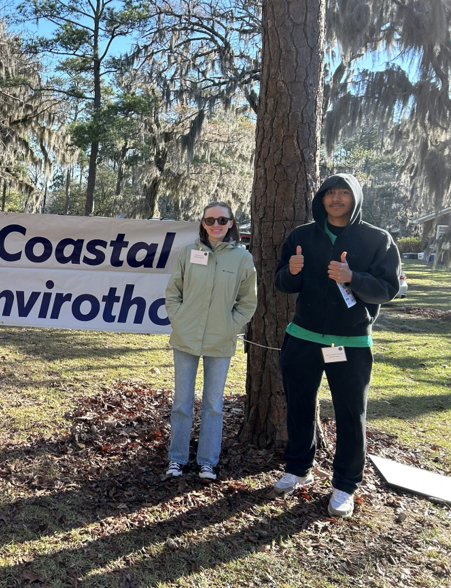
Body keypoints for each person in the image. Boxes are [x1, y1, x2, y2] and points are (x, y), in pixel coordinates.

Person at [273, 174, 400, 518]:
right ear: (322, 198)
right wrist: (292, 272)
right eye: (331, 193)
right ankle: (298, 469)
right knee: (299, 407)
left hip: (352, 342)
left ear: (355, 198)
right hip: (303, 338)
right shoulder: (302, 235)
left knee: (350, 414)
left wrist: (352, 278)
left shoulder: (377, 239)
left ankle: (345, 485)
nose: (336, 199)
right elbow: (281, 281)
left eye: (344, 193)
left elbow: (387, 289)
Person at [164, 201, 257, 481]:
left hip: (220, 340)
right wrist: (179, 319)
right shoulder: (188, 253)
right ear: (202, 224)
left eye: (222, 220)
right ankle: (177, 459)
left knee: (213, 404)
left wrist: (231, 326)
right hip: (185, 339)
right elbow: (173, 293)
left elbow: (248, 301)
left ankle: (207, 461)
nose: (216, 225)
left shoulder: (242, 259)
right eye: (209, 220)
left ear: (231, 223)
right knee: (182, 402)